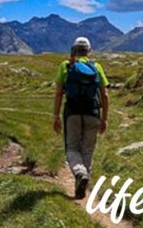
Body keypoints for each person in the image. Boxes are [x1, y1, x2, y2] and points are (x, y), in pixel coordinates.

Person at [52, 36, 109, 200]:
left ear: (73, 50)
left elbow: (58, 93)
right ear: (89, 51)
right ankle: (82, 185)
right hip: (92, 113)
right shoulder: (96, 66)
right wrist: (104, 119)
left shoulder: (66, 66)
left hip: (72, 113)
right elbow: (105, 95)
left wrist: (55, 116)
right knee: (88, 149)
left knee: (72, 148)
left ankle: (79, 173)